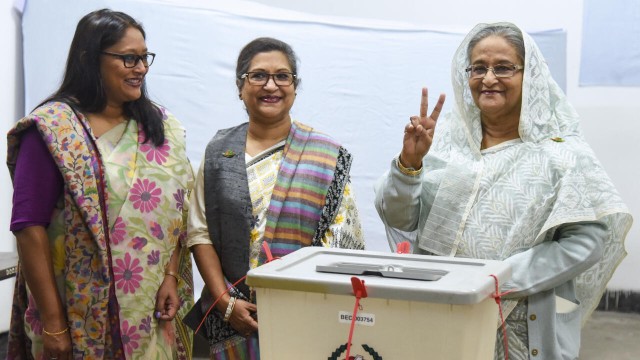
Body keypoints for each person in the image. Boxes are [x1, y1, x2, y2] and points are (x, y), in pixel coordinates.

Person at [374, 22, 632, 360]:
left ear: (531, 76)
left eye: (504, 67)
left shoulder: (561, 153)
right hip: (439, 310)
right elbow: (400, 218)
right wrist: (410, 163)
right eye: (478, 68)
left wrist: (497, 279)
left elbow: (587, 242)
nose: (489, 78)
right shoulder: (444, 141)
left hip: (521, 325)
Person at [6, 9, 194, 359]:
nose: (141, 68)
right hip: (75, 312)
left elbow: (178, 209)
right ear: (89, 59)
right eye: (129, 58)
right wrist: (54, 322)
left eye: (144, 57)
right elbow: (29, 227)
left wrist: (171, 276)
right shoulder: (51, 130)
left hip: (149, 311)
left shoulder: (161, 127)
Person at [185, 37, 365, 359]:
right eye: (258, 76)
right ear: (240, 87)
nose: (272, 85)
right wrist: (225, 303)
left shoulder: (325, 156)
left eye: (283, 76)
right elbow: (199, 232)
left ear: (295, 87)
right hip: (230, 316)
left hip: (304, 316)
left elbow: (343, 242)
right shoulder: (217, 152)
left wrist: (292, 301)